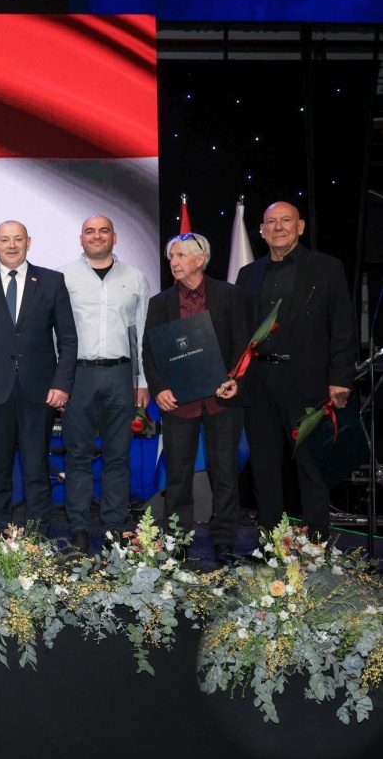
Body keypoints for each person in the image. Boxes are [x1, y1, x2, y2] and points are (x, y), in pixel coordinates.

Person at [235, 201, 354, 538]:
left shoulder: (327, 268)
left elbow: (342, 327)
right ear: (261, 231)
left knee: (311, 465)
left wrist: (340, 378)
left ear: (300, 227)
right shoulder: (247, 274)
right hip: (259, 383)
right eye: (271, 222)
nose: (278, 227)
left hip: (309, 383)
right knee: (264, 467)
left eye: (286, 220)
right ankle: (271, 541)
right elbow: (239, 332)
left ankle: (317, 541)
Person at [0, 220, 77, 534]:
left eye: (17, 239)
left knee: (37, 469)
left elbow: (68, 339)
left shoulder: (52, 281)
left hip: (40, 392)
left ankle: (37, 538)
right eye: (4, 239)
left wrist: (62, 384)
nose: (11, 245)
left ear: (28, 242)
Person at [143, 234, 245, 565]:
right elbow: (149, 352)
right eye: (171, 256)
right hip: (178, 402)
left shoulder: (229, 295)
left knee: (225, 472)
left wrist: (235, 380)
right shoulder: (160, 302)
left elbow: (243, 344)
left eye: (180, 255)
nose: (173, 261)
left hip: (221, 399)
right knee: (178, 474)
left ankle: (224, 541)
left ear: (200, 259)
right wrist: (159, 389)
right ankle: (177, 539)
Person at [57, 215, 152, 553]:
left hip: (121, 375)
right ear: (81, 238)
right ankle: (79, 529)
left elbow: (141, 333)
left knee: (118, 456)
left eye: (103, 231)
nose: (96, 236)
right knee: (78, 456)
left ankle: (114, 528)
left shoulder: (136, 278)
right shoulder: (63, 277)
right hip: (77, 376)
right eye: (90, 231)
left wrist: (141, 380)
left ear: (115, 237)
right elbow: (55, 333)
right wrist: (59, 380)